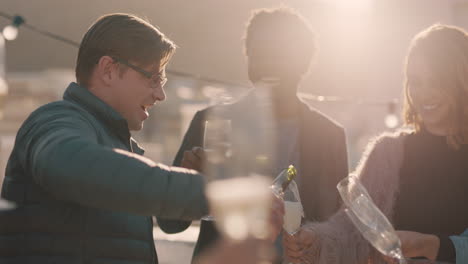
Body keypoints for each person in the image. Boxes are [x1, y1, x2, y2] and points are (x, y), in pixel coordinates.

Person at [0, 13, 209, 264]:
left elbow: (163, 221)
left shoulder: (117, 142)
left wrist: (191, 179)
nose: (161, 94)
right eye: (153, 78)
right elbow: (72, 165)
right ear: (109, 70)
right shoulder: (53, 120)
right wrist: (213, 194)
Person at [157, 7, 349, 263]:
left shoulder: (329, 137)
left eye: (280, 55)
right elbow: (169, 224)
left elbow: (341, 231)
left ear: (304, 62)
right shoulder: (209, 121)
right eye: (258, 54)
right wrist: (189, 183)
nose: (268, 64)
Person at [283, 24, 468, 264]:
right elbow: (349, 231)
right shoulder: (387, 154)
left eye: (436, 81)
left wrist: (431, 245)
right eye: (416, 81)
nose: (424, 93)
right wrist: (315, 241)